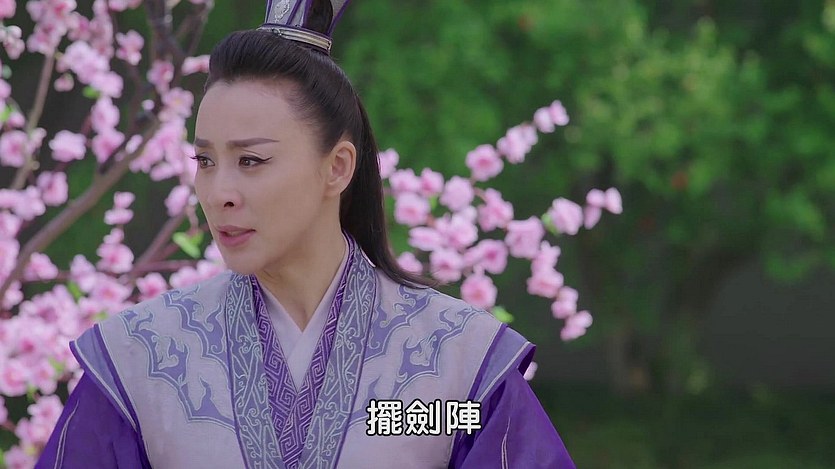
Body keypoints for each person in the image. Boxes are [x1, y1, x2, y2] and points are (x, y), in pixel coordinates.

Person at [37, 1, 575, 467]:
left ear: (337, 167)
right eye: (205, 160)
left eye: (251, 160)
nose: (218, 192)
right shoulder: (139, 361)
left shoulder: (452, 368)